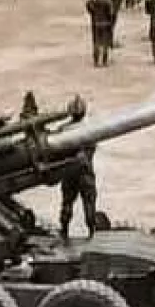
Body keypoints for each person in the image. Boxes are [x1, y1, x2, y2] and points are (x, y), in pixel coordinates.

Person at [58, 97, 99, 240]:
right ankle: (92, 232)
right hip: (85, 171)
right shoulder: (90, 128)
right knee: (89, 202)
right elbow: (92, 149)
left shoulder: (62, 129)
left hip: (68, 171)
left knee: (67, 202)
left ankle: (64, 230)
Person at [86, 0, 116, 67]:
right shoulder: (108, 0)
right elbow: (111, 12)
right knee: (105, 43)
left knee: (96, 42)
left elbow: (89, 10)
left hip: (96, 23)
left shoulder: (92, 0)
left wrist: (94, 15)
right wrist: (111, 22)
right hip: (106, 23)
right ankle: (104, 61)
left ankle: (96, 61)